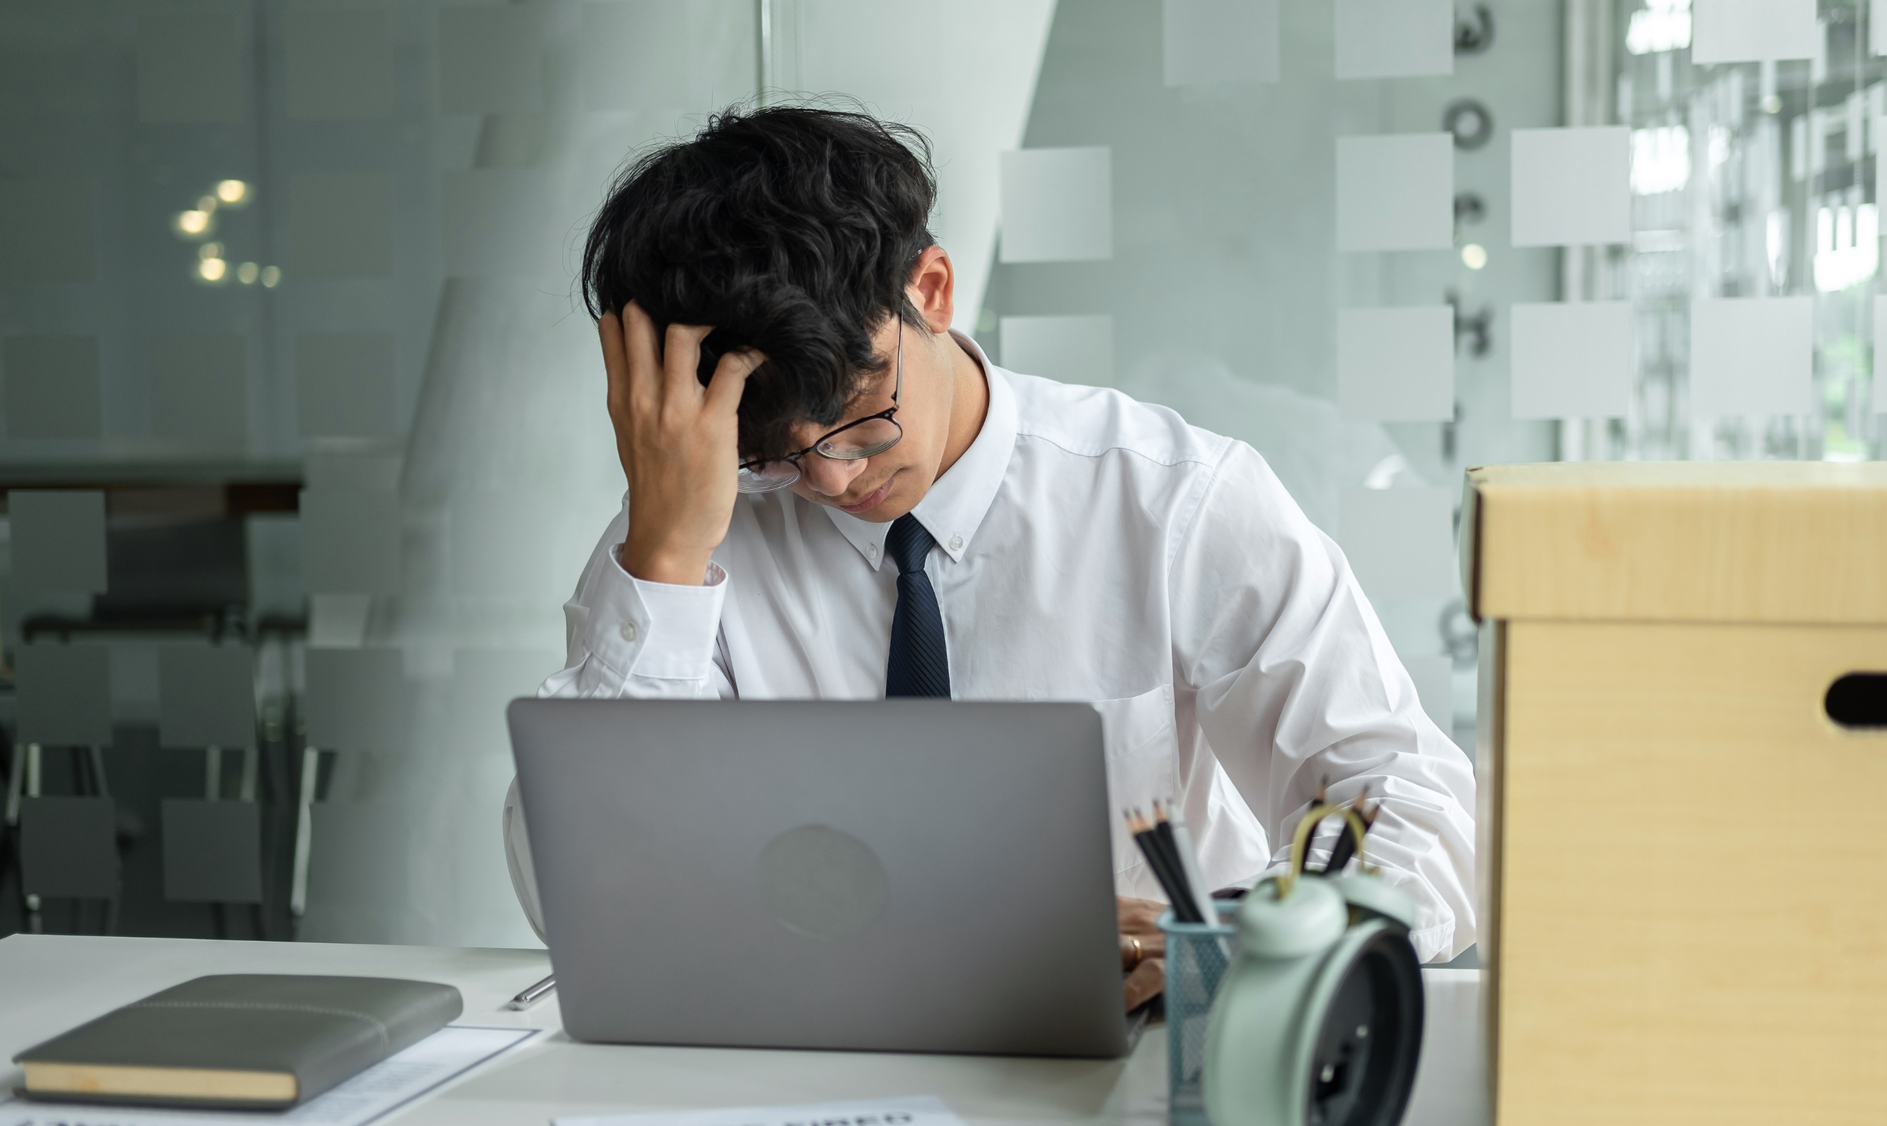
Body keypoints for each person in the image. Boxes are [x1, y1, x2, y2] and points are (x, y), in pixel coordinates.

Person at [502, 106, 1475, 1009]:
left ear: (928, 290)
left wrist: (1226, 947)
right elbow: (581, 892)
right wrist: (665, 557)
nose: (833, 480)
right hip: (808, 1063)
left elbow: (1415, 807)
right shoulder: (700, 527)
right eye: (776, 455)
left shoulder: (1171, 498)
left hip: (1121, 1083)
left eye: (862, 419)